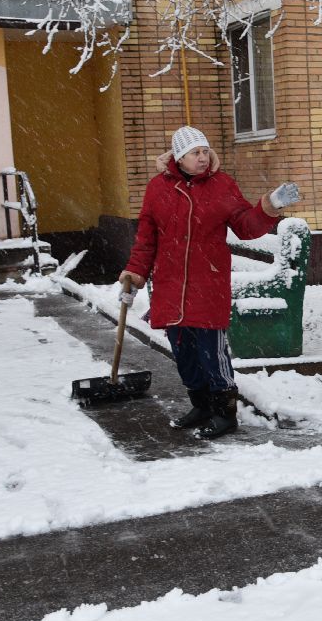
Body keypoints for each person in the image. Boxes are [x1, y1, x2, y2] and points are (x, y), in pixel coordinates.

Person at [119, 126, 302, 438]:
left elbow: (245, 226)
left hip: (207, 284)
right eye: (195, 153)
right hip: (171, 285)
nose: (203, 158)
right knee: (183, 352)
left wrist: (269, 205)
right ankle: (201, 406)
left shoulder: (222, 185)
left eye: (205, 151)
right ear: (180, 157)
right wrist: (134, 274)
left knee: (212, 354)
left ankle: (224, 412)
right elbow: (146, 238)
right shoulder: (157, 189)